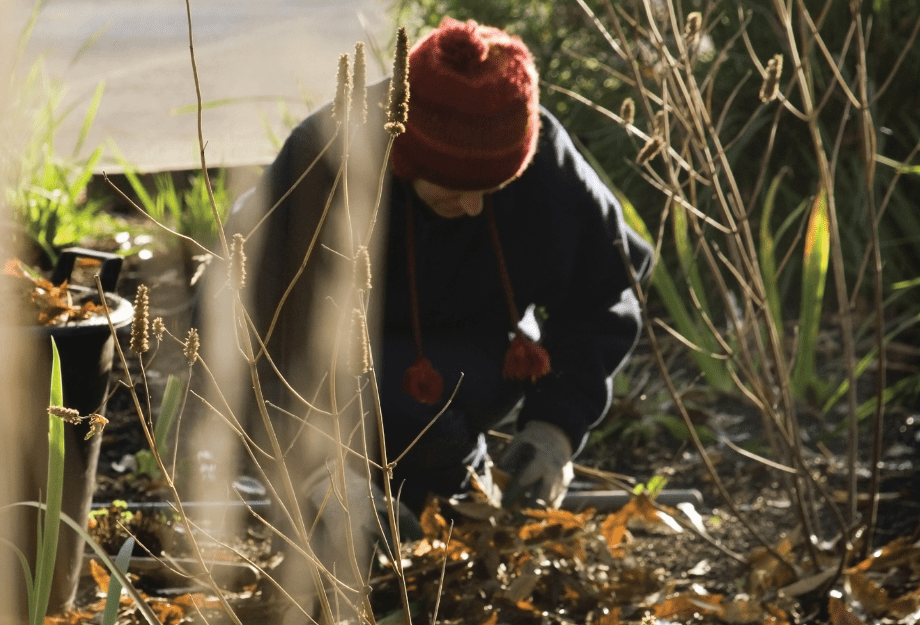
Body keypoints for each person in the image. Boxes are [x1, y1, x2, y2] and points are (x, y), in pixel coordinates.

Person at [203, 15, 652, 616]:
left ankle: (448, 471)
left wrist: (555, 430)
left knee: (449, 537)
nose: (470, 207)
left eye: (490, 189)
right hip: (333, 374)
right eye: (451, 186)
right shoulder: (331, 155)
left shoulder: (543, 161)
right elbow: (240, 314)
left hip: (474, 362)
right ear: (405, 152)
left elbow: (607, 292)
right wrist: (314, 474)